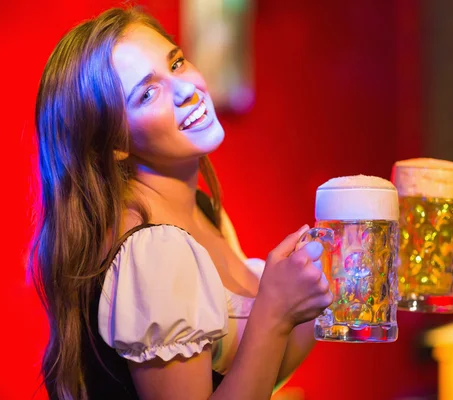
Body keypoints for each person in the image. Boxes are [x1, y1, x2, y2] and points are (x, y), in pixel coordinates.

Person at [30, 6, 332, 400]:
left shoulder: (204, 211)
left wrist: (328, 281)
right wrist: (273, 314)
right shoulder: (153, 254)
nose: (187, 88)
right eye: (148, 92)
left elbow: (257, 373)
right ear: (115, 144)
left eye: (176, 62)